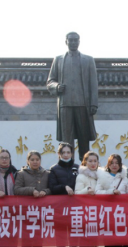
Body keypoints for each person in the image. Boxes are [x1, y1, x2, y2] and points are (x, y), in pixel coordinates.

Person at [46, 32, 98, 161]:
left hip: (83, 104)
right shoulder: (58, 59)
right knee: (66, 140)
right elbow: (50, 81)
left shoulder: (88, 60)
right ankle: (68, 164)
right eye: (71, 40)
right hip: (65, 104)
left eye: (76, 40)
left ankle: (85, 164)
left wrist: (93, 103)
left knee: (84, 137)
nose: (73, 42)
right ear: (66, 42)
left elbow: (93, 83)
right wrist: (57, 87)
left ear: (79, 42)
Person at [13, 150, 51, 247]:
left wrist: (45, 191)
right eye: (32, 159)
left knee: (38, 239)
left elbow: (51, 188)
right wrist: (31, 191)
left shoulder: (46, 174)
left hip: (41, 211)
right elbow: (16, 189)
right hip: (26, 211)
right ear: (28, 161)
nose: (35, 162)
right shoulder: (21, 174)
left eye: (37, 159)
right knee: (27, 240)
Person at [97, 154, 128, 247]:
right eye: (112, 163)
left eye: (116, 163)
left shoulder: (124, 178)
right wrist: (111, 192)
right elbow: (97, 192)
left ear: (120, 165)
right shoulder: (103, 177)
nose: (114, 165)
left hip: (123, 213)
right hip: (109, 213)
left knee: (125, 240)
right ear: (108, 164)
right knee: (111, 240)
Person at [48, 142, 80, 247]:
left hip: (75, 208)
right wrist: (64, 187)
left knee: (74, 239)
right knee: (60, 239)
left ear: (72, 153)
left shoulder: (78, 168)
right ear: (59, 154)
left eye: (68, 152)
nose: (66, 155)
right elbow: (51, 188)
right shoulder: (54, 169)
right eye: (63, 152)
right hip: (60, 208)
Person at [74, 151, 102, 247]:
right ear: (85, 162)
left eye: (95, 161)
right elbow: (77, 193)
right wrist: (87, 190)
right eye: (90, 161)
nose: (92, 163)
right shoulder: (81, 176)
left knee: (93, 239)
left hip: (96, 211)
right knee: (84, 240)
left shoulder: (100, 175)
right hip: (84, 212)